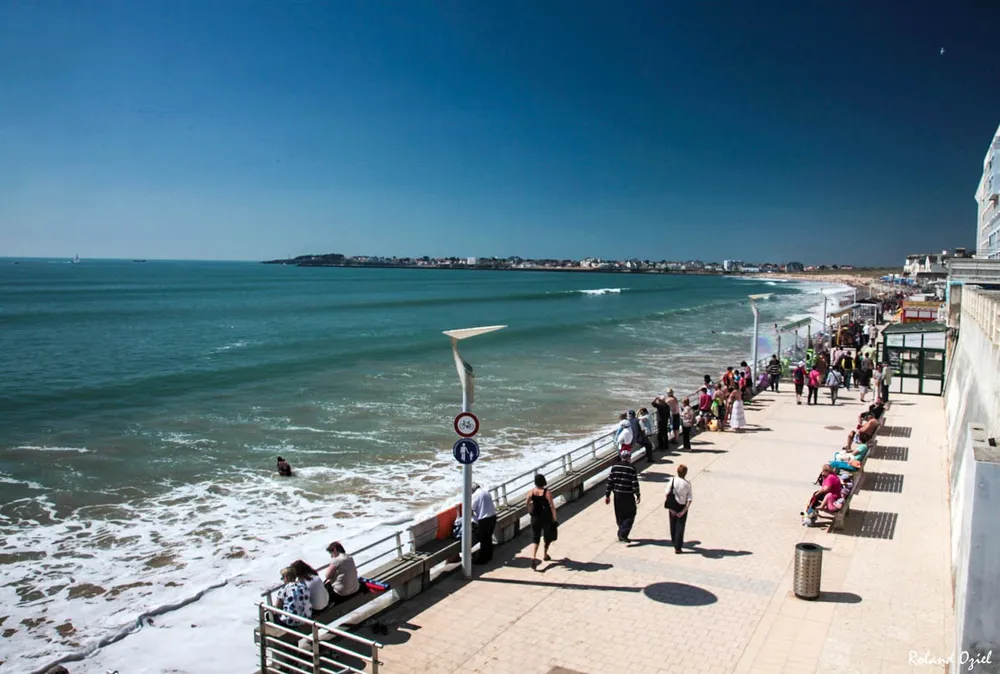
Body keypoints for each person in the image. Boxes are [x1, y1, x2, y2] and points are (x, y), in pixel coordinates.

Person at [605, 451, 640, 543]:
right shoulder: (631, 468)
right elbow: (634, 483)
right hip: (628, 495)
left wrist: (607, 495)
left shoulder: (614, 467)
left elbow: (610, 482)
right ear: (628, 457)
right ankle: (623, 533)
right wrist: (638, 494)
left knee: (619, 515)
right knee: (631, 513)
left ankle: (621, 531)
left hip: (617, 495)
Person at [526, 474, 557, 570]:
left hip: (535, 518)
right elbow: (552, 506)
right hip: (546, 517)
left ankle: (533, 557)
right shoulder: (547, 492)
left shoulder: (531, 492)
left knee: (536, 538)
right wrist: (555, 518)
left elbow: (526, 503)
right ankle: (545, 554)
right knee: (547, 536)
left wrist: (530, 511)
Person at [665, 464, 692, 554]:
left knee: (672, 525)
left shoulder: (672, 480)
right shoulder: (687, 484)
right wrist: (683, 511)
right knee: (680, 526)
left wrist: (670, 508)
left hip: (672, 505)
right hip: (682, 506)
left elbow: (667, 493)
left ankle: (674, 541)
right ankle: (678, 547)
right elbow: (689, 499)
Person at [471, 482, 497, 564]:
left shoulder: (475, 495)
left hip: (484, 519)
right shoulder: (486, 492)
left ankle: (482, 559)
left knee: (483, 539)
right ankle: (489, 556)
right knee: (488, 537)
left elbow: (471, 509)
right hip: (493, 517)